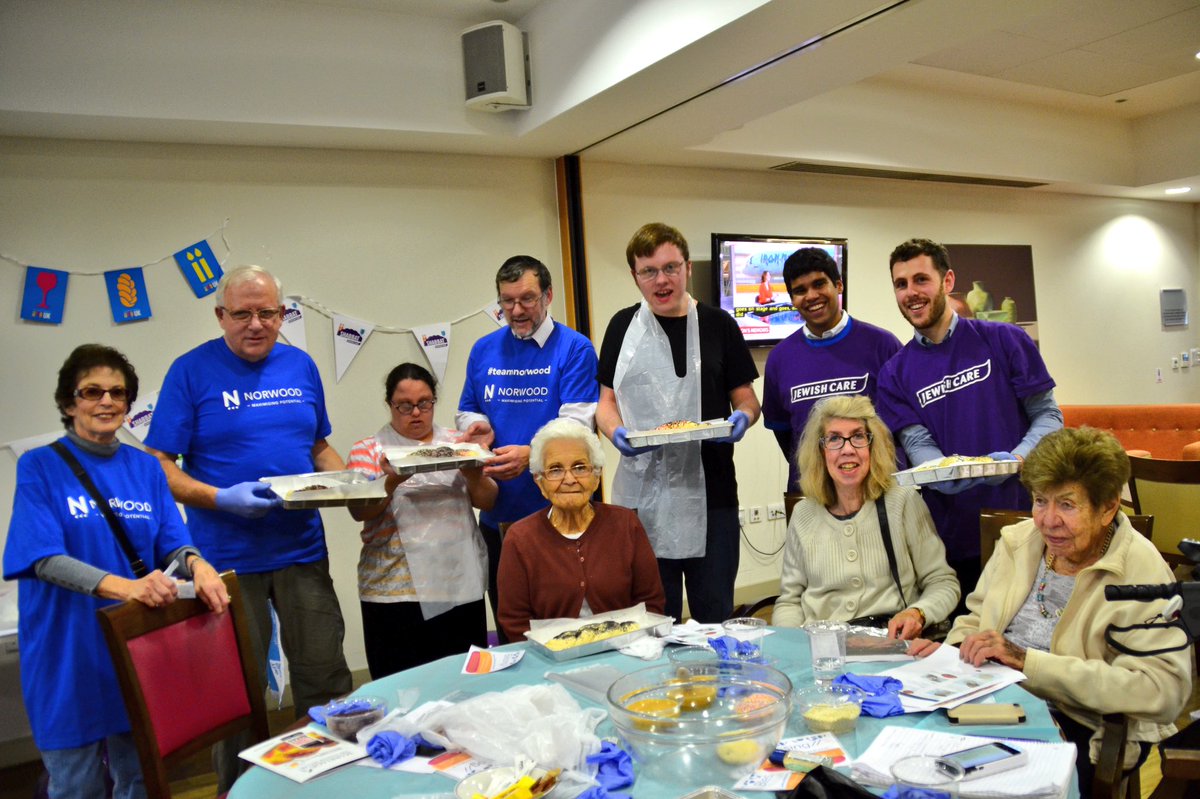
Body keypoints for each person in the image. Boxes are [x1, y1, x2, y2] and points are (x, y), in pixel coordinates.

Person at [143, 265, 351, 790]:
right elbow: (158, 466)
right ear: (221, 316)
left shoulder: (300, 366)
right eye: (242, 313)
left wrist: (353, 479)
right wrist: (220, 499)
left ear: (283, 315)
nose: (256, 324)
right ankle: (240, 791)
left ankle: (333, 784)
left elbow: (318, 445)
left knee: (325, 680)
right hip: (226, 566)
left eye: (268, 312)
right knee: (236, 697)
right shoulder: (190, 372)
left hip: (302, 551)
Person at [3, 344, 228, 799]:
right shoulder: (41, 466)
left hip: (136, 645)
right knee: (77, 785)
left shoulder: (146, 468)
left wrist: (199, 564)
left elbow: (172, 542)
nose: (106, 401)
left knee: (141, 777)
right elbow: (43, 557)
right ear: (70, 403)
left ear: (128, 404)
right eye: (92, 391)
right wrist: (127, 587)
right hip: (68, 652)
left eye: (117, 393)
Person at [909, 427, 1192, 788]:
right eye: (1041, 500)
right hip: (987, 705)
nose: (1048, 520)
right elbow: (976, 619)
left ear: (1108, 508)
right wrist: (946, 659)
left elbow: (1161, 691)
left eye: (1067, 504)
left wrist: (1029, 662)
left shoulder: (1143, 572)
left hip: (1079, 726)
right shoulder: (1018, 541)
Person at [876, 238, 1062, 609]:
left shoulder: (1005, 339)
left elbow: (1048, 416)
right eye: (901, 284)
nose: (911, 293)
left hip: (1023, 523)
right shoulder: (893, 373)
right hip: (949, 536)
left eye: (920, 280)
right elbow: (915, 442)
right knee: (966, 645)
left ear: (947, 282)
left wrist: (1016, 459)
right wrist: (940, 471)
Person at [596, 222, 761, 623]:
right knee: (652, 616)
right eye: (649, 271)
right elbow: (605, 403)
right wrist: (616, 432)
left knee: (714, 613)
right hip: (643, 495)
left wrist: (741, 419)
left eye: (670, 267)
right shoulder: (622, 327)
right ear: (635, 276)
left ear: (687, 267)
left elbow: (747, 400)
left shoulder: (719, 324)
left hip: (713, 492)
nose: (661, 280)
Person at [457, 255, 599, 643]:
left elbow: (576, 426)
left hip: (560, 515)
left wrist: (529, 455)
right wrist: (476, 427)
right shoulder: (484, 349)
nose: (516, 310)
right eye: (507, 301)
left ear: (548, 295)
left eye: (527, 299)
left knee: (567, 628)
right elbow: (466, 408)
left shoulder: (575, 348)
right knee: (512, 629)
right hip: (497, 513)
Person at [346, 363, 496, 678]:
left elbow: (488, 500)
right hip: (394, 593)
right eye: (405, 406)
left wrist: (472, 473)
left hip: (458, 586)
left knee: (464, 682)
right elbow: (359, 511)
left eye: (424, 403)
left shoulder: (458, 443)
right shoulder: (368, 450)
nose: (416, 413)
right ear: (390, 405)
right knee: (401, 687)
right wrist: (392, 480)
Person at [772, 395, 959, 638]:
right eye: (835, 439)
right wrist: (791, 645)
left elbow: (943, 583)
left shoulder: (902, 501)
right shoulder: (803, 514)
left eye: (858, 436)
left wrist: (918, 613)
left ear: (873, 446)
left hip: (889, 645)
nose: (847, 450)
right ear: (820, 450)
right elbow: (789, 601)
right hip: (823, 650)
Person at [496, 418, 665, 642]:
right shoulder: (520, 539)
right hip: (549, 663)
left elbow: (651, 603)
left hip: (626, 652)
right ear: (540, 481)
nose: (569, 479)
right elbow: (514, 621)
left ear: (596, 477)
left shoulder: (626, 524)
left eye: (580, 467)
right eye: (555, 470)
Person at [762, 248, 901, 491]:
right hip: (810, 496)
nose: (811, 296)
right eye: (800, 290)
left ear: (838, 285)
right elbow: (786, 437)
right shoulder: (779, 359)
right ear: (792, 299)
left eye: (819, 284)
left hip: (876, 491)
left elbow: (904, 423)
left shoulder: (883, 345)